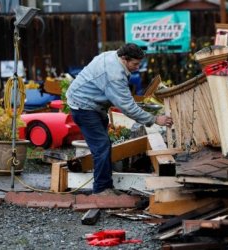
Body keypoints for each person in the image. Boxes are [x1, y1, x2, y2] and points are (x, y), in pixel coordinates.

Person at [66, 43, 173, 195]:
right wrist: (155, 119)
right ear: (124, 58)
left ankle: (106, 185)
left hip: (92, 105)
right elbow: (127, 107)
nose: (137, 67)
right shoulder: (114, 75)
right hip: (84, 107)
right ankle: (101, 190)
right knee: (101, 147)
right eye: (135, 64)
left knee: (104, 146)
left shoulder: (113, 56)